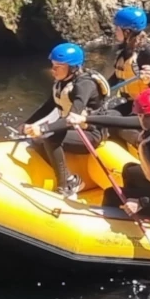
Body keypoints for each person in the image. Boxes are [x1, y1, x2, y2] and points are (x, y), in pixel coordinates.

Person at [81, 86, 150, 221]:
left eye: (147, 116)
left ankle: (119, 218)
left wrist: (140, 202)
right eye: (140, 115)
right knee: (130, 170)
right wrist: (86, 119)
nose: (143, 120)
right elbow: (121, 122)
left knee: (111, 194)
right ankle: (130, 209)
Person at [24, 41, 110, 198]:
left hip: (91, 134)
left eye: (58, 67)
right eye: (53, 65)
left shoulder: (84, 85)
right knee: (37, 140)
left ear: (72, 68)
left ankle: (65, 185)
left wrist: (43, 129)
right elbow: (49, 105)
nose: (53, 70)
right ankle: (71, 178)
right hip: (73, 129)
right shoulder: (62, 82)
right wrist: (27, 123)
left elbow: (72, 119)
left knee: (49, 137)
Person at [108, 4, 150, 111]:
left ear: (127, 32)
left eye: (117, 28)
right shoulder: (125, 49)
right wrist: (98, 89)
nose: (115, 32)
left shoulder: (148, 52)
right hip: (134, 103)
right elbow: (116, 77)